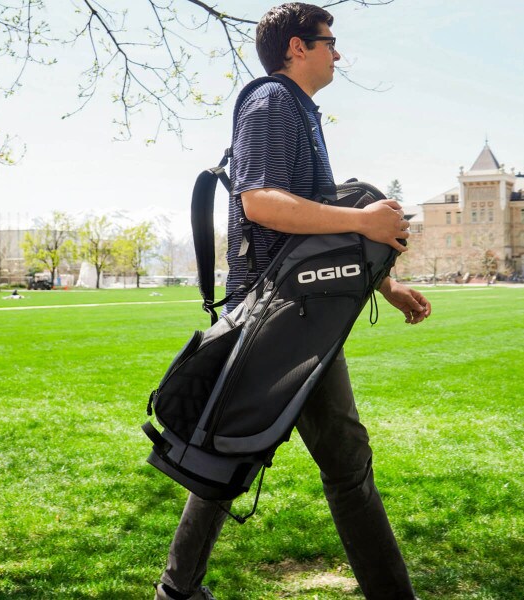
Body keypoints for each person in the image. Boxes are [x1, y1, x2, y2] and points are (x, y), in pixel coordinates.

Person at [154, 4, 431, 599]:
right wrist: (362, 217)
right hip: (275, 313)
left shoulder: (298, 110)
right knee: (338, 465)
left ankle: (176, 590)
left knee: (233, 453)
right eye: (330, 42)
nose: (338, 53)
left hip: (289, 311)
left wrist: (386, 283)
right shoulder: (273, 102)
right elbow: (261, 203)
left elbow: (311, 229)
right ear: (297, 48)